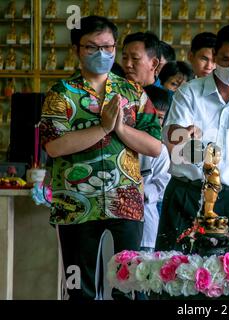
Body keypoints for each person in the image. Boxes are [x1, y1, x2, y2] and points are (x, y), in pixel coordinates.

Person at [39, 15, 162, 300]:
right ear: (77, 50)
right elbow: (54, 147)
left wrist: (119, 128)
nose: (102, 54)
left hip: (126, 200)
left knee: (130, 286)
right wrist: (103, 128)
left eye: (108, 47)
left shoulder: (132, 92)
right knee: (80, 288)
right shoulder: (61, 94)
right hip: (76, 204)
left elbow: (155, 146)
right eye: (92, 47)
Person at [155, 23, 229, 253]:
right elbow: (174, 137)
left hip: (225, 198)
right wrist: (184, 134)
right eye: (226, 60)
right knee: (171, 272)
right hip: (185, 193)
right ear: (215, 56)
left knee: (219, 276)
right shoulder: (189, 92)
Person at [140, 86, 172, 253]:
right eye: (149, 115)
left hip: (147, 227)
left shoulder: (160, 150)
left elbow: (162, 183)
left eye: (159, 118)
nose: (153, 122)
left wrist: (141, 193)